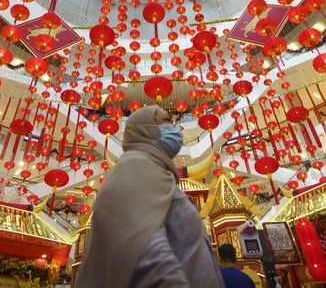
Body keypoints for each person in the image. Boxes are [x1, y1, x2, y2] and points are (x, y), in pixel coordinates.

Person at [75, 105, 224, 288]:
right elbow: (148, 261)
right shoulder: (133, 170)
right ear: (145, 129)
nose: (175, 128)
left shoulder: (156, 175)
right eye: (167, 122)